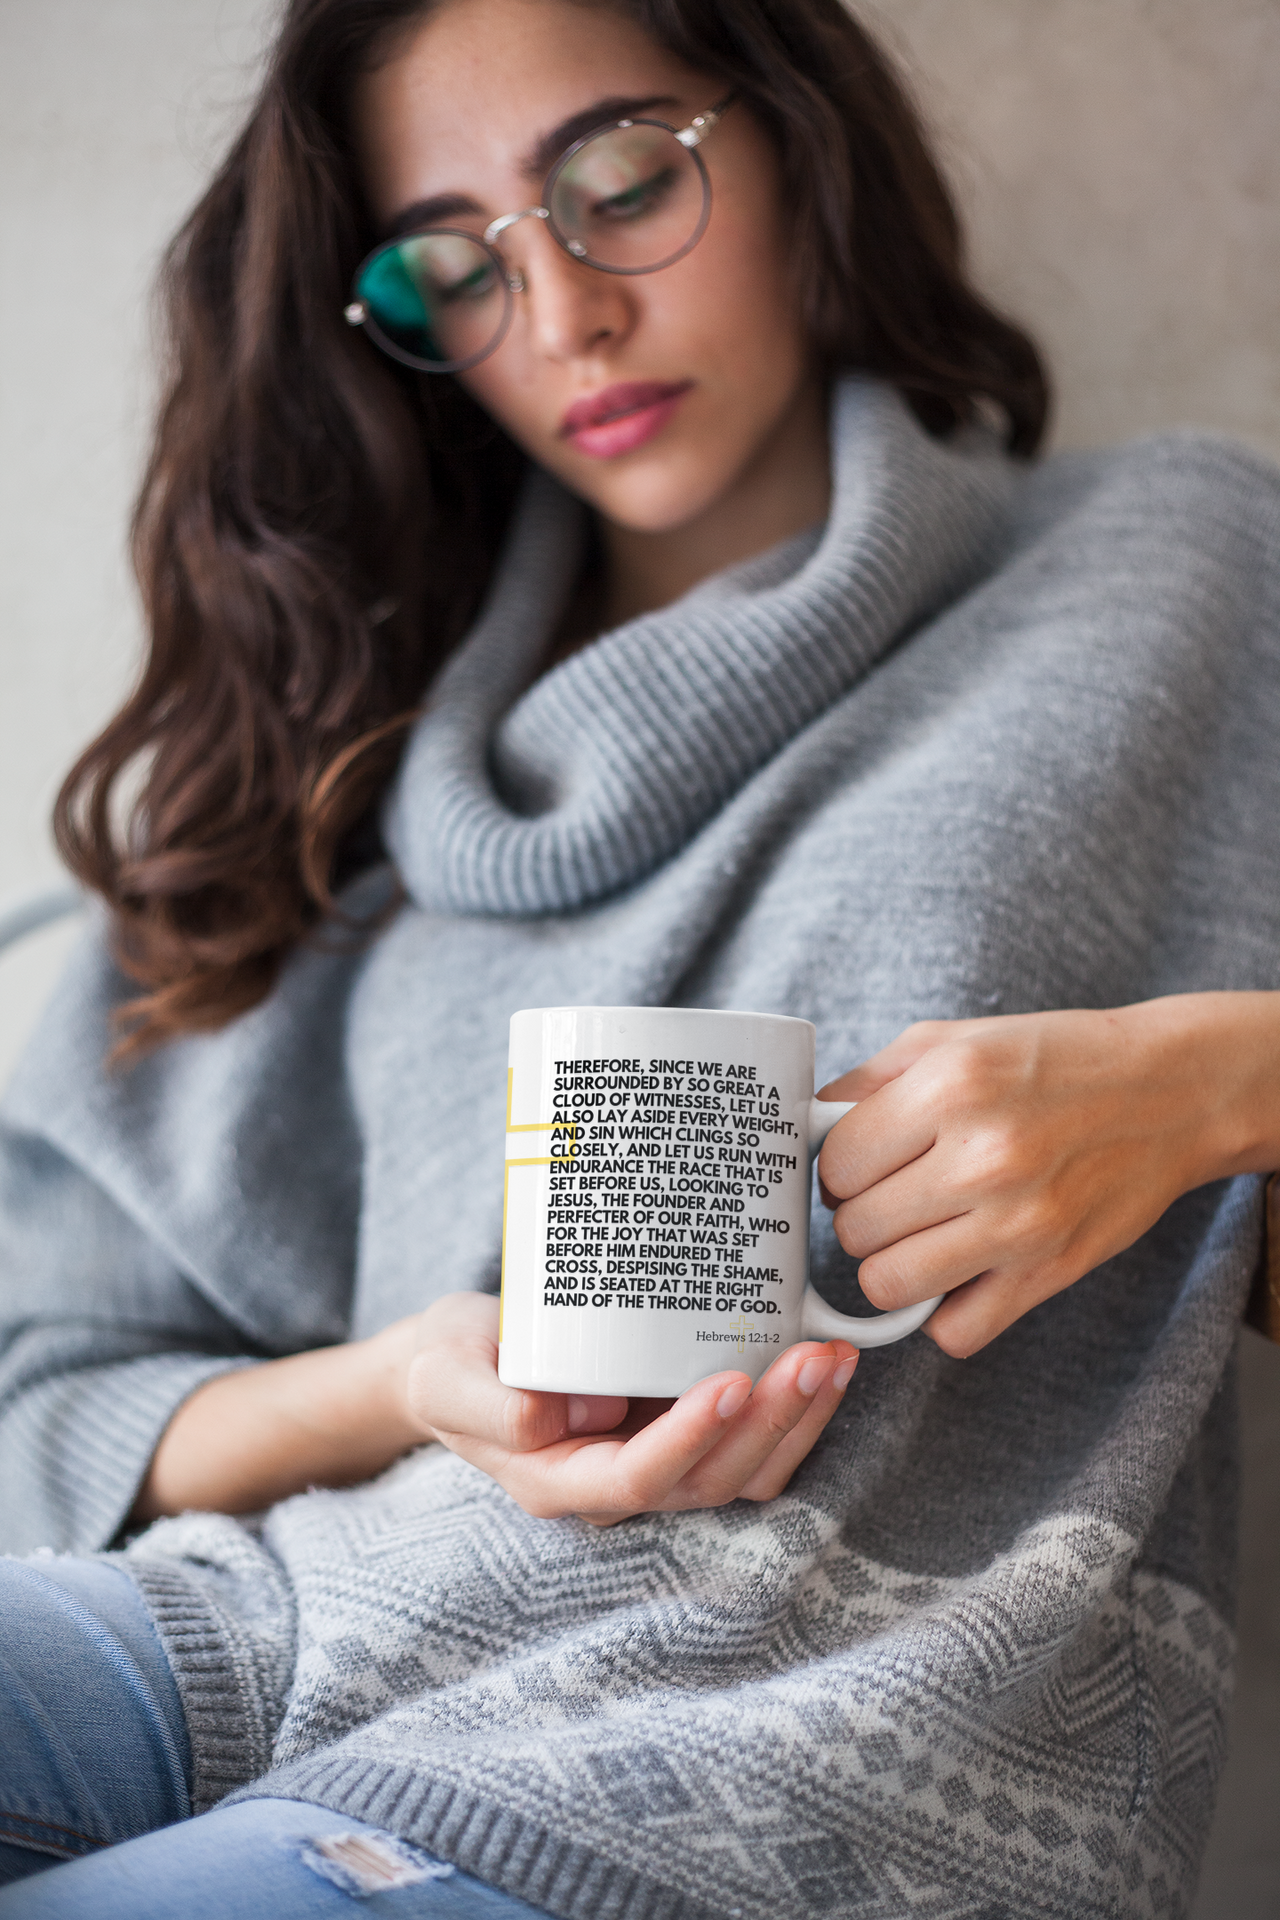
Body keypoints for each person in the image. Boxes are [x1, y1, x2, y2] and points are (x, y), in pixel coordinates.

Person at [1, 0, 1278, 1913]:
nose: (565, 316)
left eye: (618, 186)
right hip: (235, 1637)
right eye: (455, 265)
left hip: (800, 1740)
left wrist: (1220, 1083)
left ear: (793, 140)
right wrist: (409, 1380)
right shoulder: (327, 761)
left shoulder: (1173, 577)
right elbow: (43, 1396)